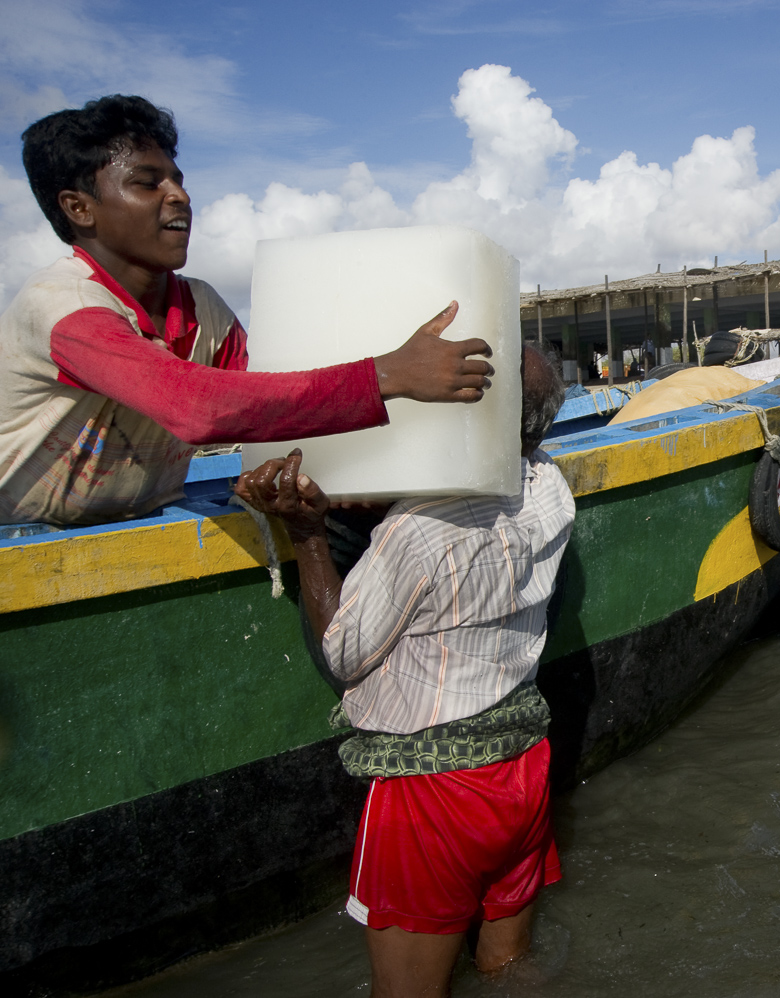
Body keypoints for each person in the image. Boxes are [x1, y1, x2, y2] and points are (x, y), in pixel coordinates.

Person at [235, 346, 573, 997]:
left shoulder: (417, 530)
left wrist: (308, 533)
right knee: (510, 971)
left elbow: (343, 652)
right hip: (521, 769)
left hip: (434, 795)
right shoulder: (549, 487)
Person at [0, 95, 494, 526]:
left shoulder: (202, 306)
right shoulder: (64, 305)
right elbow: (196, 408)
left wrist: (338, 476)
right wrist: (389, 374)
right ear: (79, 208)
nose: (179, 195)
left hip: (150, 513)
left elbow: (262, 402)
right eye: (148, 183)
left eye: (177, 178)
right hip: (24, 536)